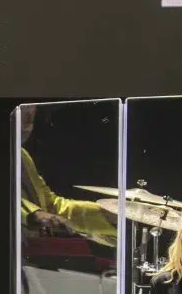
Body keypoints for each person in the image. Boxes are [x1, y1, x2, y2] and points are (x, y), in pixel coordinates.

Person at [19, 104, 119, 245]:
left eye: (30, 118)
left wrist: (109, 214)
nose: (27, 124)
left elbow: (52, 206)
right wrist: (35, 215)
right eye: (23, 112)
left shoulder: (23, 156)